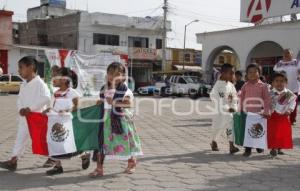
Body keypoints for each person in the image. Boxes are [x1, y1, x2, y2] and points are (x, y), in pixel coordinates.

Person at [89, 62, 143, 178]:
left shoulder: (125, 90)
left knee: (124, 143)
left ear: (123, 76)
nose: (114, 77)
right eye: (111, 74)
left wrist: (113, 102)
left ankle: (132, 162)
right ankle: (99, 168)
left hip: (120, 122)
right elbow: (104, 101)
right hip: (104, 122)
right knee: (101, 144)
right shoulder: (104, 89)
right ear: (107, 74)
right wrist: (101, 102)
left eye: (118, 74)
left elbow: (129, 103)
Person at [0, 56, 51, 171]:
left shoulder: (40, 83)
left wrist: (30, 108)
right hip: (25, 118)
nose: (18, 71)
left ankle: (54, 157)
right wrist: (21, 110)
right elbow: (19, 99)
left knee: (41, 140)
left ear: (31, 67)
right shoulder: (23, 84)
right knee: (20, 138)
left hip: (36, 118)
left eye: (21, 68)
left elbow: (46, 98)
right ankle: (13, 160)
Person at [43, 67, 91, 175]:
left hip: (69, 124)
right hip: (55, 123)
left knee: (70, 144)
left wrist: (67, 110)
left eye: (56, 77)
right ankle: (57, 167)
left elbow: (78, 105)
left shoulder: (72, 93)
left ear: (64, 80)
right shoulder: (55, 93)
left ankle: (84, 155)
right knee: (54, 143)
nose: (53, 79)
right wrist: (48, 110)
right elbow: (53, 106)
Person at [240, 63, 271, 157]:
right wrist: (240, 109)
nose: (252, 74)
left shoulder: (264, 86)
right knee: (248, 131)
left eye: (255, 72)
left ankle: (259, 146)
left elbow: (267, 99)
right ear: (247, 74)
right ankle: (247, 150)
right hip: (248, 113)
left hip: (259, 114)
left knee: (258, 131)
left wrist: (266, 111)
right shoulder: (245, 86)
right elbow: (241, 98)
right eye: (250, 72)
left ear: (259, 73)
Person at [209, 63, 240, 154]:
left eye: (233, 73)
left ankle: (231, 146)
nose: (233, 75)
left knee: (230, 126)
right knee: (217, 128)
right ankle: (213, 141)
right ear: (223, 73)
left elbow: (235, 98)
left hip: (229, 112)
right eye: (231, 73)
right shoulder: (217, 86)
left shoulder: (231, 85)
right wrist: (226, 108)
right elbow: (215, 98)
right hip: (219, 112)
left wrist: (234, 107)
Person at [268, 72, 296, 157]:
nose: (279, 83)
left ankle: (280, 147)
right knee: (273, 133)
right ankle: (273, 148)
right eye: (277, 81)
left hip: (284, 116)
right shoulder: (270, 93)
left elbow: (292, 103)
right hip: (273, 116)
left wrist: (289, 110)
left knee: (282, 133)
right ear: (272, 83)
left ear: (286, 83)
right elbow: (266, 104)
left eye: (282, 81)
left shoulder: (289, 94)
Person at [273, 49, 300, 125]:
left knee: (293, 103)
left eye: (288, 53)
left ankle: (292, 120)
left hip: (294, 87)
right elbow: (275, 73)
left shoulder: (296, 62)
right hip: (282, 88)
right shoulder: (279, 63)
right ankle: (281, 118)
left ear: (292, 54)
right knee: (282, 104)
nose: (286, 55)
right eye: (285, 53)